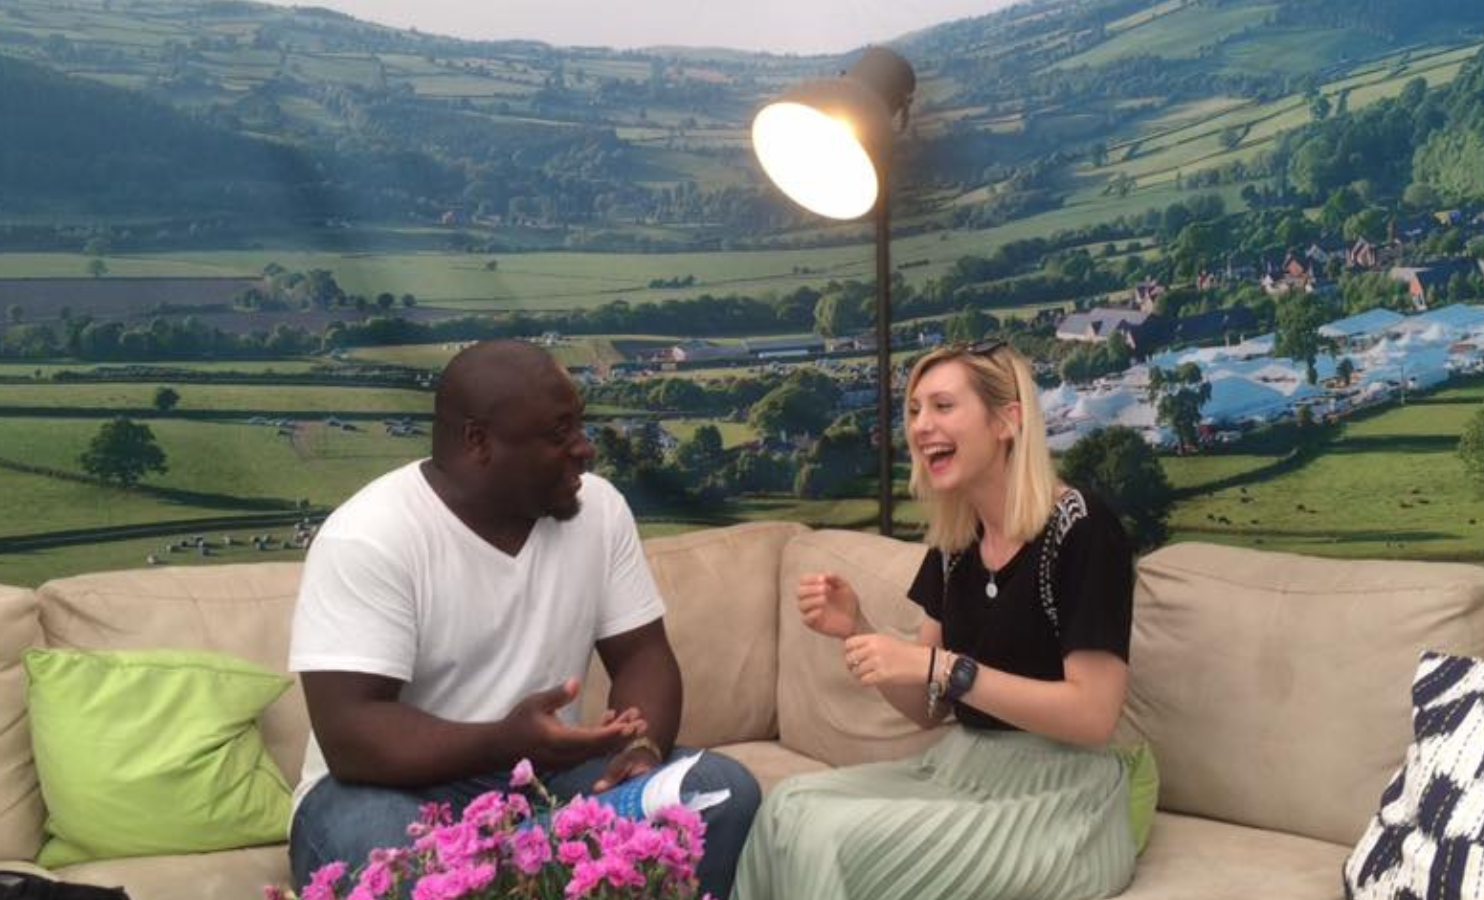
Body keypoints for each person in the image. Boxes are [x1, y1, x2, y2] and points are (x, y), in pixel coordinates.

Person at [287, 339, 759, 900]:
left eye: (579, 427)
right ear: (478, 442)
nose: (584, 450)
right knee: (402, 863)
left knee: (719, 791)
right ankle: (521, 863)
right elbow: (351, 735)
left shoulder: (599, 509)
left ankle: (518, 860)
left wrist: (644, 748)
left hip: (545, 780)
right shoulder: (370, 536)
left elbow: (642, 655)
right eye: (559, 434)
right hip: (381, 792)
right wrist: (506, 741)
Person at [733, 341, 1138, 900]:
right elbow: (929, 711)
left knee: (831, 838)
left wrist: (947, 666)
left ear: (1006, 421)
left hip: (1061, 794)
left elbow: (1095, 716)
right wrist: (860, 630)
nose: (922, 426)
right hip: (963, 766)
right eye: (916, 410)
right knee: (786, 807)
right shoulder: (956, 541)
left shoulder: (1082, 529)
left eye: (943, 406)